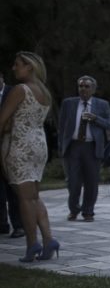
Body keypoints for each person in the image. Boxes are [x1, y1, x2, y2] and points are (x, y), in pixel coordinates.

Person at [0, 51, 58, 261]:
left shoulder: (20, 90)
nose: (14, 68)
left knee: (24, 198)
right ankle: (49, 239)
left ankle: (32, 244)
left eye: (17, 64)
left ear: (29, 67)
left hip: (19, 145)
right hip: (38, 144)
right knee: (33, 196)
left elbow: (2, 120)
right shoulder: (44, 91)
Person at [58, 74, 110, 222]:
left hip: (92, 147)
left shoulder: (102, 104)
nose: (83, 89)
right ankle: (74, 209)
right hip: (73, 147)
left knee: (91, 181)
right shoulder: (68, 103)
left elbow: (109, 124)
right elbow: (62, 126)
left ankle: (88, 211)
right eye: (80, 86)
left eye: (86, 86)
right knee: (73, 181)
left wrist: (95, 118)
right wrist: (61, 147)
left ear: (93, 89)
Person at [0, 69, 25, 237]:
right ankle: (2, 224)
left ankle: (19, 225)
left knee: (13, 188)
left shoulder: (13, 92)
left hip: (11, 145)